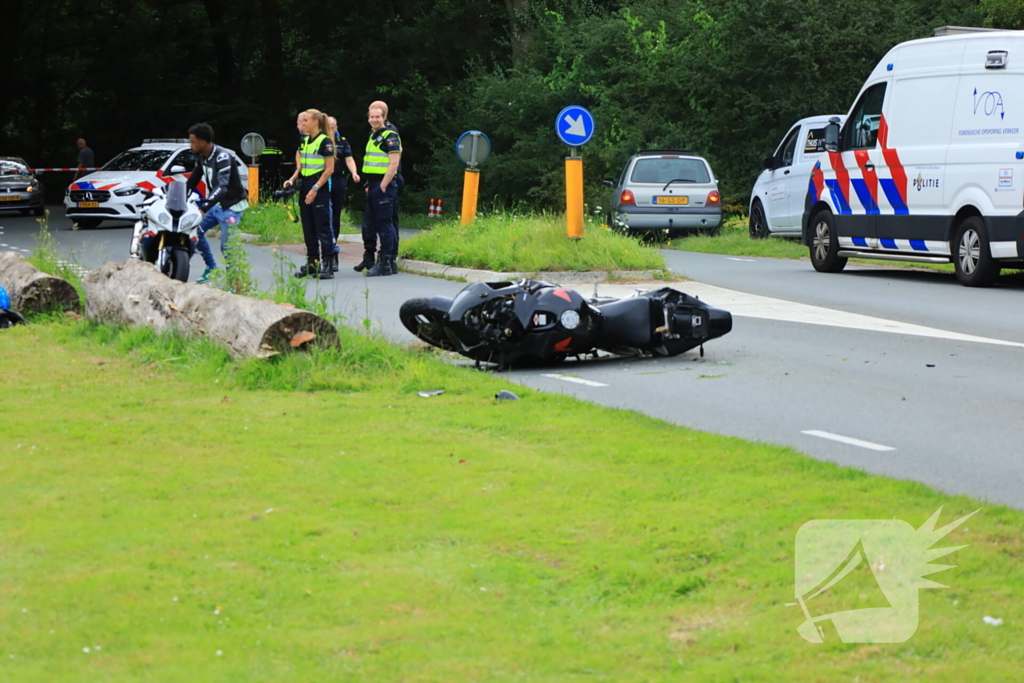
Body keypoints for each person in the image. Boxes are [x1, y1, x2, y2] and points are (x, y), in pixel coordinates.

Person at [184, 123, 249, 284]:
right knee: (194, 231)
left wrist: (204, 208)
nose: (190, 145)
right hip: (216, 205)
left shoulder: (222, 157)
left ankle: (235, 284)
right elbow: (193, 180)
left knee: (227, 246)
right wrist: (178, 197)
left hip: (231, 207)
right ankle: (211, 267)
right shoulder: (202, 157)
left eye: (193, 142)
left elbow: (223, 186)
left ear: (203, 142)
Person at [282, 109, 336, 279]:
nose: (302, 124)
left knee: (322, 227)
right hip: (305, 184)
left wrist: (315, 188)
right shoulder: (305, 142)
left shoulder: (324, 141)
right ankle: (312, 262)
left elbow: (329, 169)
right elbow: (301, 167)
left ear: (315, 122)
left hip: (318, 186)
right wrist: (291, 179)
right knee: (308, 227)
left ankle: (328, 263)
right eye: (301, 120)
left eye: (305, 120)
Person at [359, 104, 401, 277]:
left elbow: (394, 163)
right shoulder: (373, 135)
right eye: (372, 117)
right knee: (370, 223)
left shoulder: (389, 136)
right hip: (374, 183)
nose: (374, 119)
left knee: (385, 224)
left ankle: (385, 262)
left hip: (384, 184)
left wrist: (383, 185)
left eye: (378, 116)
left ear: (384, 117)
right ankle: (382, 261)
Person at [327, 116, 360, 272]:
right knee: (323, 214)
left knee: (335, 215)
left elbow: (349, 159)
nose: (330, 130)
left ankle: (333, 252)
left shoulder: (342, 142)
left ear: (336, 128)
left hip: (338, 180)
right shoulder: (318, 142)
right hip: (322, 180)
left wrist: (354, 172)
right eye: (327, 127)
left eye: (332, 127)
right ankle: (323, 253)